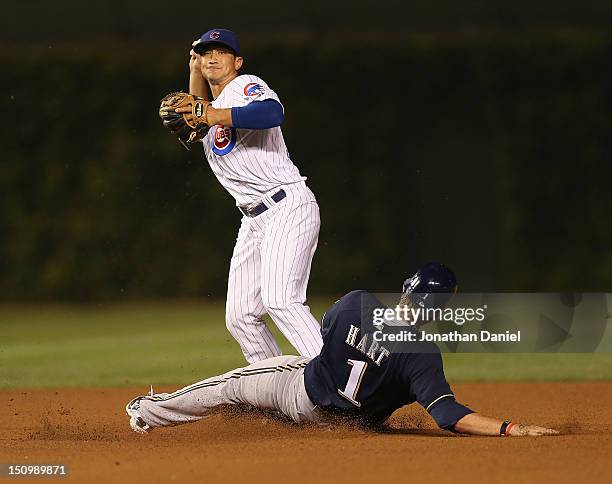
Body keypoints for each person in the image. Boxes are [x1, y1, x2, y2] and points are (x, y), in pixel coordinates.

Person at [126, 263, 558, 437]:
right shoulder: (424, 354)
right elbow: (448, 415)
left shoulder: (357, 302)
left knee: (230, 386)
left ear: (406, 288)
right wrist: (509, 429)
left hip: (301, 393)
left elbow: (325, 338)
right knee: (266, 392)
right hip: (353, 425)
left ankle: (146, 411)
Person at [180, 29, 323, 363]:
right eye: (205, 52)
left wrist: (211, 113)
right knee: (241, 317)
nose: (212, 57)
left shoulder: (244, 86)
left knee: (281, 301)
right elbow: (196, 120)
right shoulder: (210, 111)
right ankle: (272, 393)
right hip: (253, 221)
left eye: (221, 51)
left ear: (238, 61)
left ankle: (344, 386)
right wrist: (192, 73)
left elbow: (272, 113)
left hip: (286, 206)